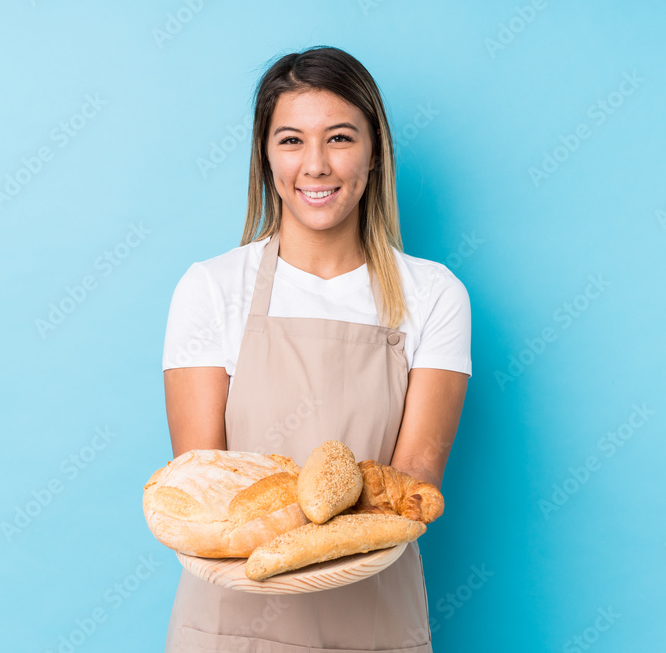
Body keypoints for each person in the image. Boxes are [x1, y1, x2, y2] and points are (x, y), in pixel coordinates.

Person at [160, 45, 471, 652]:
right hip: (233, 623)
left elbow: (411, 488)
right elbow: (204, 490)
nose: (316, 165)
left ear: (375, 151)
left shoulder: (433, 295)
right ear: (265, 155)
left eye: (340, 138)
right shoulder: (212, 288)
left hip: (373, 618)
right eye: (291, 140)